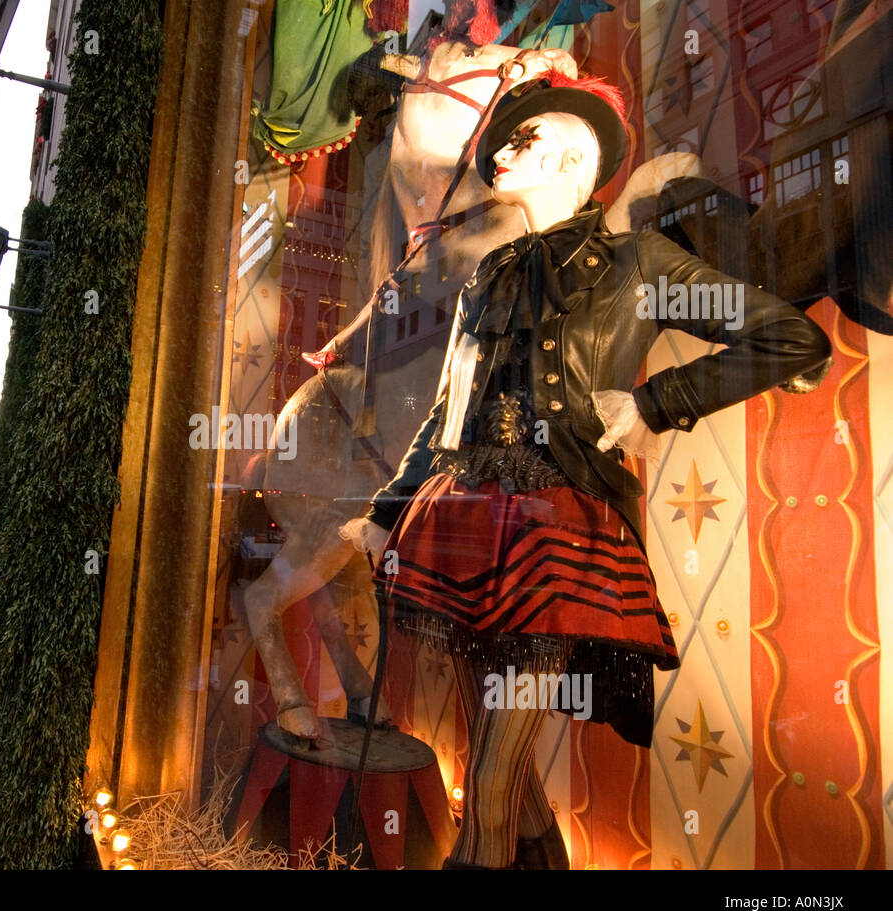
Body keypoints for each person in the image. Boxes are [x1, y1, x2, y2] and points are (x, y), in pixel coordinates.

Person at [341, 70, 831, 870]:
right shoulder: (487, 278)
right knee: (509, 781)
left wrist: (656, 403)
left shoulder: (638, 263)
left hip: (560, 538)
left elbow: (790, 339)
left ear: (575, 161)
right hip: (461, 521)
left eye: (525, 140)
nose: (503, 151)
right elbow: (446, 410)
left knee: (491, 784)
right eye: (504, 140)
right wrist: (388, 508)